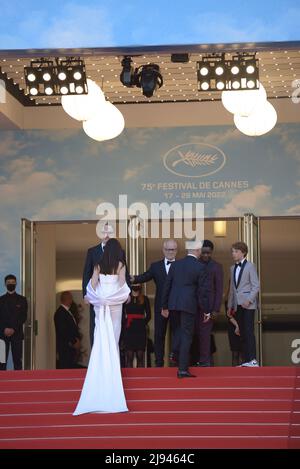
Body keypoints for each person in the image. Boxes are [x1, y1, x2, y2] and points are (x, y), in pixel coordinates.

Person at [74, 238, 130, 415]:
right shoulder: (120, 264)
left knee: (100, 337)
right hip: (114, 304)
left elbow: (92, 284)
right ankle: (111, 373)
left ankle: (99, 371)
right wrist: (121, 295)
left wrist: (96, 297)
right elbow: (122, 284)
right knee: (113, 337)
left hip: (101, 304)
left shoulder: (98, 265)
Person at [161, 240, 209, 378]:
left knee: (177, 333)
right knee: (187, 336)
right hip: (188, 305)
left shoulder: (175, 265)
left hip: (174, 304)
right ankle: (182, 369)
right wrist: (206, 310)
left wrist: (164, 306)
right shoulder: (200, 267)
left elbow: (167, 286)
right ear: (198, 251)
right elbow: (202, 292)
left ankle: (174, 354)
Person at [131, 239, 180, 367]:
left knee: (177, 334)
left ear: (177, 250)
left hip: (176, 306)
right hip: (160, 306)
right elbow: (145, 276)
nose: (170, 252)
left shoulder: (182, 265)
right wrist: (133, 278)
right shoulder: (156, 266)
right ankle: (159, 363)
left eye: (173, 249)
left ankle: (176, 360)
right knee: (159, 335)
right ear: (163, 250)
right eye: (168, 249)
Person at [82, 222, 130, 347]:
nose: (107, 235)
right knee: (98, 326)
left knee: (110, 327)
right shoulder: (92, 251)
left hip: (111, 297)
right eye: (104, 232)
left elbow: (124, 276)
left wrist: (126, 292)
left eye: (110, 233)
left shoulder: (120, 253)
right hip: (100, 297)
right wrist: (86, 295)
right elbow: (86, 274)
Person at [227, 241, 260, 367]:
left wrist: (249, 300)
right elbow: (232, 289)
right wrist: (230, 306)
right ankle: (246, 360)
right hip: (237, 305)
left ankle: (252, 359)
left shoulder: (250, 266)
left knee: (248, 331)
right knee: (241, 332)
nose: (233, 254)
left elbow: (256, 285)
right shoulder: (232, 268)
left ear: (243, 252)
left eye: (236, 251)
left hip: (248, 304)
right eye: (232, 251)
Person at [196, 239, 223, 367]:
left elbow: (219, 290)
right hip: (194, 306)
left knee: (205, 335)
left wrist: (216, 309)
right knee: (190, 334)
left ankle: (205, 361)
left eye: (209, 253)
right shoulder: (194, 263)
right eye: (204, 252)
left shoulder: (217, 266)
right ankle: (192, 360)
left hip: (209, 307)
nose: (206, 255)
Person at [0, 275, 27, 371]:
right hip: (2, 335)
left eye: (13, 282)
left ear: (16, 284)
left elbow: (23, 317)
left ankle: (19, 383)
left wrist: (13, 329)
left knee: (17, 361)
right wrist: (4, 329)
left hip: (17, 334)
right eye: (8, 282)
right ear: (5, 284)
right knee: (1, 362)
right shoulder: (0, 300)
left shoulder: (22, 300)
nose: (11, 284)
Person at [123, 284, 151, 367]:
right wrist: (125, 322)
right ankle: (130, 379)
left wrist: (142, 323)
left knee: (140, 356)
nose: (135, 285)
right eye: (134, 284)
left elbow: (149, 315)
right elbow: (121, 313)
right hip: (129, 329)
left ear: (140, 286)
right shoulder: (126, 298)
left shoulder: (145, 299)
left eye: (137, 284)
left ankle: (140, 378)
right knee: (129, 356)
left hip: (140, 330)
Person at [54, 291, 81, 369]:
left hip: (69, 347)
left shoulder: (67, 312)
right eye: (70, 298)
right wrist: (74, 342)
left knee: (70, 366)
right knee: (66, 367)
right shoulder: (60, 313)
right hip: (66, 347)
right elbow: (63, 331)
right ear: (68, 299)